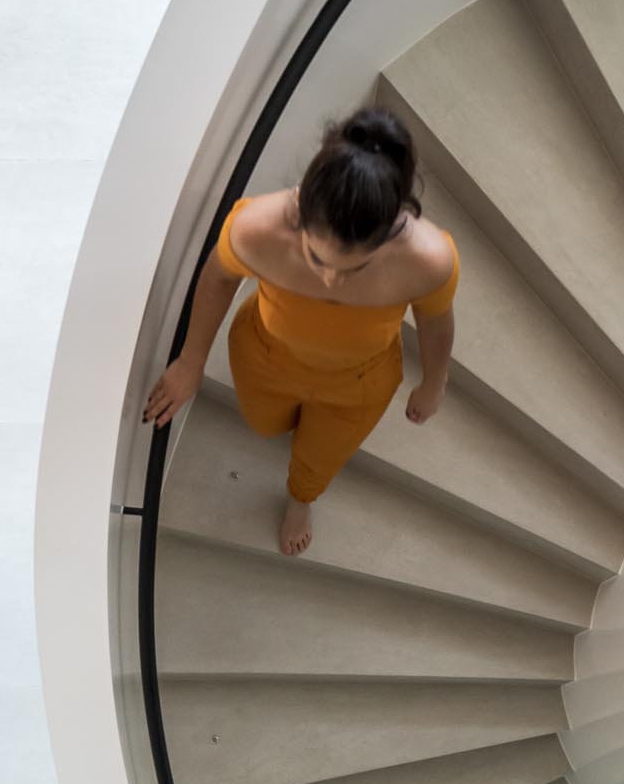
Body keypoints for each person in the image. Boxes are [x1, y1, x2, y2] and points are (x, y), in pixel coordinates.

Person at [143, 105, 459, 555]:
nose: (330, 280)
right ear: (299, 211)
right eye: (317, 259)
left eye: (355, 268)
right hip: (265, 356)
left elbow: (436, 321)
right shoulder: (257, 227)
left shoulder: (429, 260)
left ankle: (300, 501)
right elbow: (218, 277)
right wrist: (190, 362)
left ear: (392, 233)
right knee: (264, 424)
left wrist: (435, 381)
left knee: (319, 459)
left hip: (359, 383)